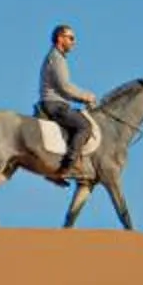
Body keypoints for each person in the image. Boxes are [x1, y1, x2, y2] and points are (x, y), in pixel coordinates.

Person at [38, 23, 101, 176]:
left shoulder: (58, 57)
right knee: (85, 126)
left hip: (56, 103)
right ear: (60, 38)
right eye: (71, 38)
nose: (74, 42)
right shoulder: (56, 58)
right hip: (55, 104)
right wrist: (87, 96)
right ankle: (67, 166)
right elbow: (64, 87)